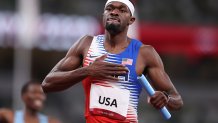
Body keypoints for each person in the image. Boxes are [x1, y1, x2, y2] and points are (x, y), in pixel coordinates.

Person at [41, 0, 183, 122]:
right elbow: (47, 83)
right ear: (103, 16)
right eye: (109, 9)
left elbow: (177, 100)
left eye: (122, 10)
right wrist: (88, 70)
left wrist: (166, 98)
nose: (114, 12)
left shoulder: (145, 53)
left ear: (131, 20)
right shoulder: (86, 44)